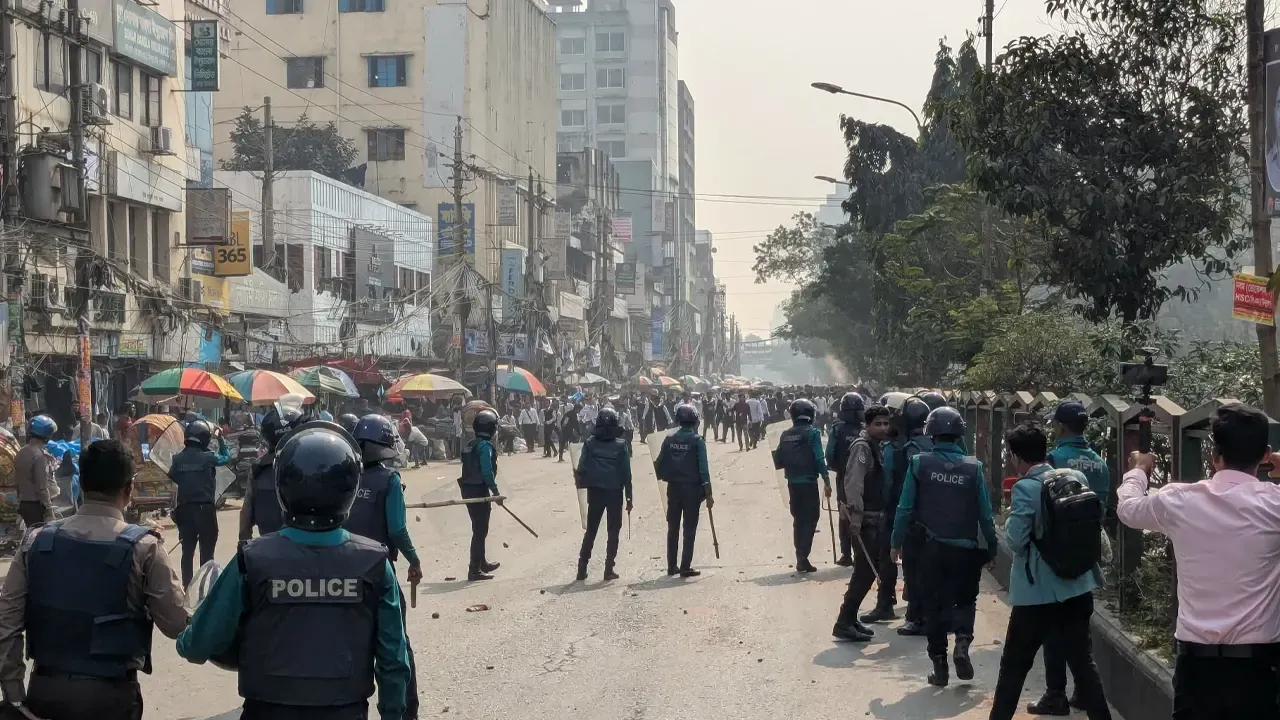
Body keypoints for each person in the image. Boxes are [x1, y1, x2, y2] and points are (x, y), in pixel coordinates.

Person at [176, 423, 411, 720]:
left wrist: (185, 635)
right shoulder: (376, 562)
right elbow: (393, 661)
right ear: (350, 489)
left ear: (282, 488)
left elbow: (198, 645)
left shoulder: (252, 559)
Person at [0, 439, 188, 720]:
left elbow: (6, 623)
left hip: (45, 693)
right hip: (111, 698)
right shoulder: (145, 548)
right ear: (129, 487)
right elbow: (176, 625)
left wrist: (15, 698)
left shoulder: (36, 541)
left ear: (82, 483)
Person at [1117, 403, 1280, 719]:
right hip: (1258, 670)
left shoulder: (1180, 500)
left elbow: (1128, 509)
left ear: (1213, 455)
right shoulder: (1274, 505)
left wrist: (1139, 469)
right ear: (1265, 454)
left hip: (1195, 667)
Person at [990, 423, 1112, 720]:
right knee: (1083, 665)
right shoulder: (1076, 476)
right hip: (1079, 585)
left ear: (1017, 456)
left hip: (1037, 595)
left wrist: (1009, 520)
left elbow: (1017, 541)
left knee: (1014, 667)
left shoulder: (1025, 488)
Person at [890, 407, 997, 687]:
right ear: (960, 432)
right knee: (965, 600)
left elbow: (904, 508)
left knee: (933, 606)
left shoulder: (919, 464)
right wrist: (993, 547)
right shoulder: (974, 468)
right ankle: (962, 643)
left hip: (930, 549)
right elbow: (986, 515)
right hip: (965, 549)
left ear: (931, 433)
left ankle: (940, 666)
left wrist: (895, 542)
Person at [1028, 400, 1112, 715]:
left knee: (1053, 627)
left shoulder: (1054, 460)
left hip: (1055, 557)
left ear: (1061, 426)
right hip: (1087, 555)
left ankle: (1055, 694)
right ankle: (1081, 691)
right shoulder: (1099, 464)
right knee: (1079, 627)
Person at [346, 414, 423, 720]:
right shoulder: (389, 481)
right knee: (397, 648)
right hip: (379, 571)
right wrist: (414, 559)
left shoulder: (344, 476)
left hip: (345, 567)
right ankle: (406, 713)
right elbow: (397, 530)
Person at [831, 403, 893, 642]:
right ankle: (844, 621)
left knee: (865, 571)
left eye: (886, 423)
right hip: (863, 520)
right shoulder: (862, 448)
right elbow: (853, 485)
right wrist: (855, 519)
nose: (883, 427)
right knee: (865, 572)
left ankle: (850, 619)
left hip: (874, 518)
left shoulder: (876, 447)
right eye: (877, 423)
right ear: (867, 425)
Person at [879, 397, 933, 633]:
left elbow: (897, 488)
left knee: (912, 566)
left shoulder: (905, 450)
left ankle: (917, 616)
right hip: (942, 518)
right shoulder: (939, 444)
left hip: (912, 517)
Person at [167, 418, 232, 586]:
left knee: (187, 551)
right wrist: (221, 439)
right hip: (205, 509)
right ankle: (204, 587)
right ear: (204, 438)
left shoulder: (177, 459)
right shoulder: (208, 457)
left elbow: (172, 477)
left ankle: (187, 586)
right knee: (207, 551)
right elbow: (226, 457)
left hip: (185, 509)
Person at [573, 408, 632, 581]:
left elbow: (581, 467)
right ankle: (608, 569)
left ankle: (582, 569)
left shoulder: (590, 443)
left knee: (591, 530)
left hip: (595, 492)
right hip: (615, 493)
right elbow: (626, 473)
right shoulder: (621, 445)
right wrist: (629, 497)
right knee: (613, 531)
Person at [772, 399, 830, 573]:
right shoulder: (812, 433)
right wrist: (826, 480)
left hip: (792, 483)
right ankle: (803, 557)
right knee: (811, 519)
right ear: (811, 414)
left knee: (798, 520)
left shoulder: (785, 434)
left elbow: (779, 458)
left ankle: (800, 555)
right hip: (809, 483)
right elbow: (819, 458)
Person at [655, 403, 713, 577]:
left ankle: (671, 566)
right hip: (692, 490)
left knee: (672, 528)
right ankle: (685, 566)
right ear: (695, 421)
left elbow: (658, 464)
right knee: (689, 528)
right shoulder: (698, 441)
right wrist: (709, 494)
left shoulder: (669, 440)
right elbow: (704, 470)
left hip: (673, 489)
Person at [239, 407, 302, 542]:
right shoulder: (307, 462)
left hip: (269, 543)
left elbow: (246, 514)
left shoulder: (259, 467)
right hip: (303, 544)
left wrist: (244, 544)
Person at [460, 410, 502, 581]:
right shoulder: (484, 446)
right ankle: (474, 569)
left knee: (479, 527)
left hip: (468, 488)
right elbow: (487, 471)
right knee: (479, 530)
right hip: (479, 490)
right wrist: (496, 492)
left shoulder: (471, 443)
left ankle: (482, 562)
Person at [825, 392, 865, 567]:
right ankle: (862, 553)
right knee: (862, 513)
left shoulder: (837, 429)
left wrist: (837, 468)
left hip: (843, 478)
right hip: (866, 479)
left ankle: (846, 555)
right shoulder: (866, 429)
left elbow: (830, 455)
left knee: (844, 515)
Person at [15, 415, 57, 528]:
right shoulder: (39, 456)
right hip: (36, 506)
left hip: (23, 503)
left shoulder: (21, 452)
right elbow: (42, 487)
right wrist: (49, 509)